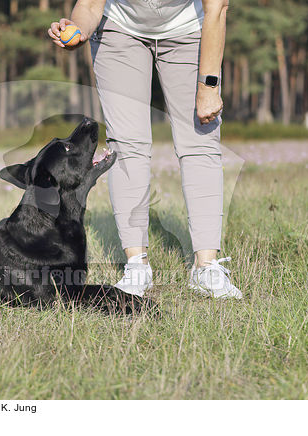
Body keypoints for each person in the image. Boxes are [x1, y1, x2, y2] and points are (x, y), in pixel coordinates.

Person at [48, 0, 242, 299]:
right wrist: (76, 31)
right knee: (126, 146)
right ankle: (136, 266)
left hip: (189, 29)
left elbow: (217, 8)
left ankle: (207, 267)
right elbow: (88, 5)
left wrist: (208, 87)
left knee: (200, 141)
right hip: (119, 31)